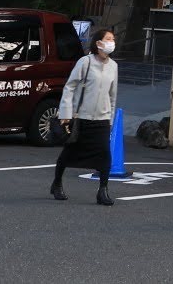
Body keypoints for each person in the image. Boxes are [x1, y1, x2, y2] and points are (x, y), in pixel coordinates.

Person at [51, 26, 121, 206]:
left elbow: (112, 95)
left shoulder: (114, 66)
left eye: (113, 39)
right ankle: (57, 183)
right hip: (82, 117)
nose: (111, 43)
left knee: (105, 155)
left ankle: (103, 191)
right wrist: (66, 113)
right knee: (69, 153)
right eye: (108, 39)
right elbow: (70, 86)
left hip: (102, 119)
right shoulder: (85, 62)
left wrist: (111, 120)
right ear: (98, 43)